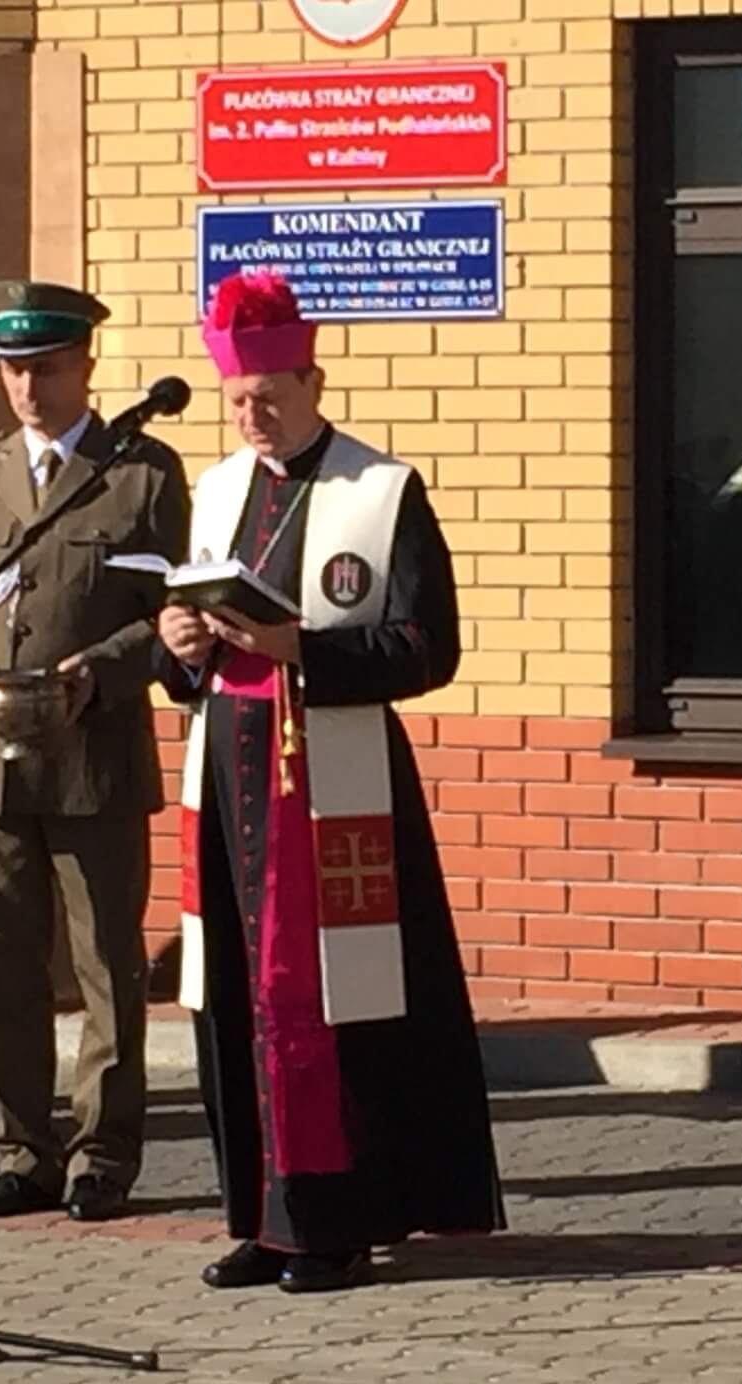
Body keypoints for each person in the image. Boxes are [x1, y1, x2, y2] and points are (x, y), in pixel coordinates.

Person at [156, 272, 505, 1294]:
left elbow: (428, 648)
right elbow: (189, 656)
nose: (252, 415)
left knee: (332, 1002)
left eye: (269, 396)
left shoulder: (381, 491)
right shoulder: (217, 491)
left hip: (336, 787)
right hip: (231, 777)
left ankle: (341, 1221)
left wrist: (299, 647)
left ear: (312, 381)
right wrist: (178, 645)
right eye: (238, 399)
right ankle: (265, 1219)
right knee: (241, 996)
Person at [0, 280, 190, 1222]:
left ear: (86, 366)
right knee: (2, 963)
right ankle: (23, 1149)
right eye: (15, 370)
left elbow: (176, 613)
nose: (30, 387)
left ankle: (101, 1155)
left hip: (93, 762)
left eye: (48, 368)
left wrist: (100, 672)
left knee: (106, 967)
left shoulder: (141, 474)